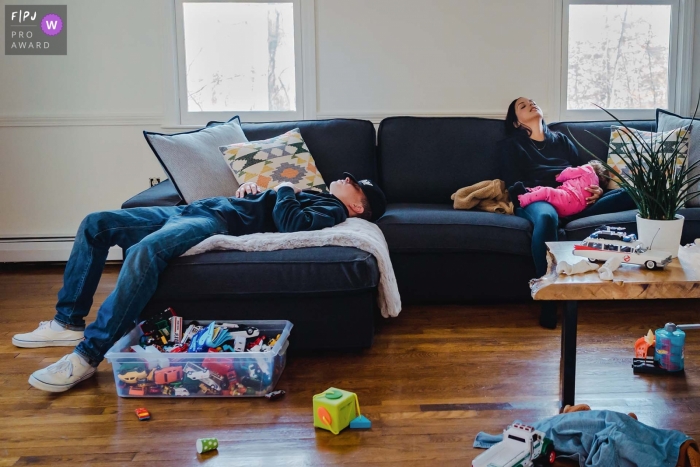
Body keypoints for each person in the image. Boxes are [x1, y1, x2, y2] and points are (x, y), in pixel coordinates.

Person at [13, 173, 387, 392]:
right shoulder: (319, 197)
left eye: (354, 184)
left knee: (145, 252)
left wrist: (285, 187)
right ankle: (67, 322)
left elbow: (292, 224)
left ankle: (88, 355)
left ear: (356, 206)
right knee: (96, 223)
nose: (346, 178)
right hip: (196, 208)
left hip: (213, 222)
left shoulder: (331, 208)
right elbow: (274, 209)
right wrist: (256, 193)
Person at [500, 97, 636, 329]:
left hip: (573, 197)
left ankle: (568, 216)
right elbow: (514, 183)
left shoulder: (560, 140)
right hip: (540, 197)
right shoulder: (512, 145)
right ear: (515, 123)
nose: (531, 104)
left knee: (631, 194)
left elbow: (584, 172)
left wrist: (597, 191)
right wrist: (532, 197)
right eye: (523, 106)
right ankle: (549, 293)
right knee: (546, 217)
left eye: (532, 101)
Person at [517, 160, 609, 217]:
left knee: (546, 191)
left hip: (568, 197)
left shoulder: (588, 169)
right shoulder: (595, 184)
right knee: (545, 190)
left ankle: (521, 200)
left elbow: (568, 172)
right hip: (574, 210)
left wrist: (560, 177)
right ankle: (530, 191)